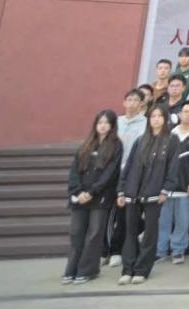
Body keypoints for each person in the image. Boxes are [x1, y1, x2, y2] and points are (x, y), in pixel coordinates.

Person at [116, 105, 178, 285]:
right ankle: (128, 269)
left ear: (165, 119)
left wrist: (166, 189)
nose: (156, 119)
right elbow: (129, 166)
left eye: (160, 116)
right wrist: (121, 189)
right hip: (132, 192)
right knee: (130, 231)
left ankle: (142, 270)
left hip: (154, 193)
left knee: (150, 232)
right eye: (153, 116)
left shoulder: (171, 140)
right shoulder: (140, 140)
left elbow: (173, 167)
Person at [63, 110, 122, 285]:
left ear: (112, 125)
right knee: (76, 233)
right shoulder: (87, 144)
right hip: (80, 196)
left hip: (100, 196)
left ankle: (87, 270)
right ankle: (71, 270)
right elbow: (74, 171)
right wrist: (78, 191)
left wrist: (92, 192)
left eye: (106, 122)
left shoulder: (116, 145)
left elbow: (111, 173)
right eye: (99, 122)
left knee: (94, 234)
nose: (102, 126)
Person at [158, 100, 189, 265]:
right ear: (179, 114)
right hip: (166, 187)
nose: (188, 114)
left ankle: (178, 250)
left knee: (182, 221)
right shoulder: (170, 133)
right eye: (185, 111)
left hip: (186, 187)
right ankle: (160, 250)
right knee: (163, 220)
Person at [105, 89, 146, 268]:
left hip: (132, 174)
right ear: (124, 102)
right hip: (112, 172)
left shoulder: (146, 124)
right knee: (108, 214)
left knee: (124, 214)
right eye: (129, 99)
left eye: (135, 100)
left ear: (141, 104)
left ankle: (117, 250)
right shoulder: (116, 123)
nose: (131, 103)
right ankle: (105, 251)